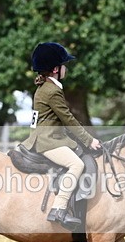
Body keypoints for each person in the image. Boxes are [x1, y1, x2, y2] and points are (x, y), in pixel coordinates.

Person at [21, 42, 102, 230]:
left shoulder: (44, 88)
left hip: (44, 137)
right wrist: (89, 140)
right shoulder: (52, 91)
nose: (66, 69)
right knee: (77, 164)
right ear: (56, 69)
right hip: (48, 141)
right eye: (64, 65)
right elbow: (68, 119)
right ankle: (58, 208)